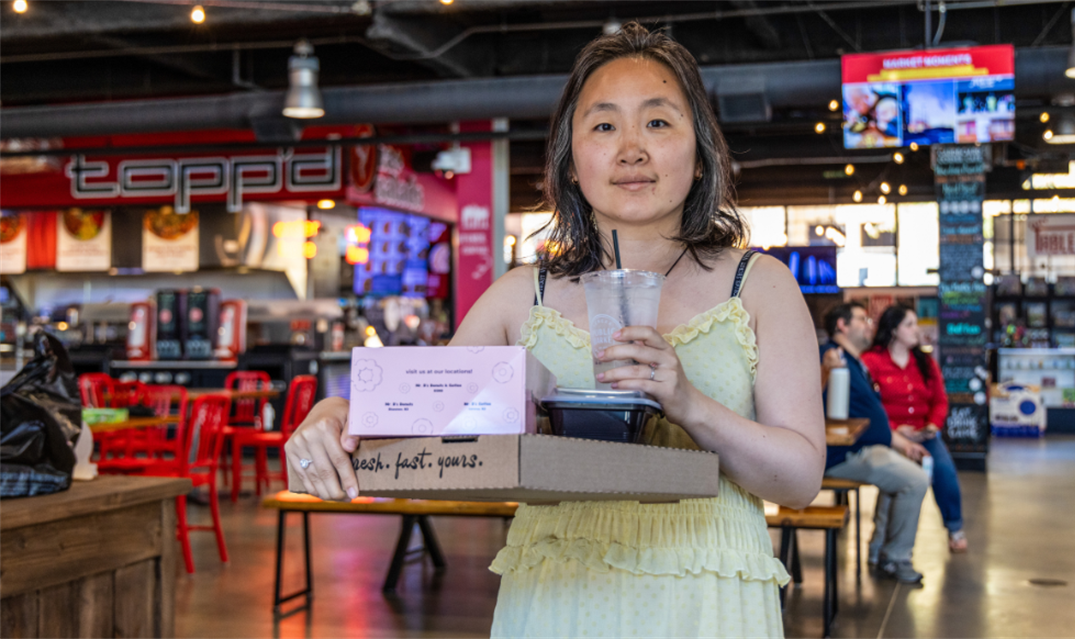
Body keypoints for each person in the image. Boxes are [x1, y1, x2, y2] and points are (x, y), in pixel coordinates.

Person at [286, 23, 826, 638]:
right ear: (570, 164)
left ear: (700, 155)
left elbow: (802, 479)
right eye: (603, 125)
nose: (631, 149)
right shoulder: (524, 295)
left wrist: (688, 404)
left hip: (708, 595)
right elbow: (421, 414)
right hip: (557, 594)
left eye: (658, 122)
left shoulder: (758, 285)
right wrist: (339, 414)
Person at [820, 302, 929, 583]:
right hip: (840, 455)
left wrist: (903, 443)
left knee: (904, 470)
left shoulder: (856, 363)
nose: (869, 324)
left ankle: (879, 551)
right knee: (915, 480)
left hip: (863, 449)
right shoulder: (829, 357)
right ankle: (896, 557)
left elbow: (871, 417)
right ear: (842, 326)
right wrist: (825, 370)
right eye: (861, 319)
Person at [862, 304, 968, 553]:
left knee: (944, 471)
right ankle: (881, 544)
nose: (916, 330)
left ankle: (955, 528)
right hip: (889, 436)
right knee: (898, 480)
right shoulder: (872, 361)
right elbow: (867, 407)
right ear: (894, 329)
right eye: (909, 324)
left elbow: (940, 400)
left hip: (925, 433)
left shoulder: (925, 361)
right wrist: (896, 429)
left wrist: (933, 425)